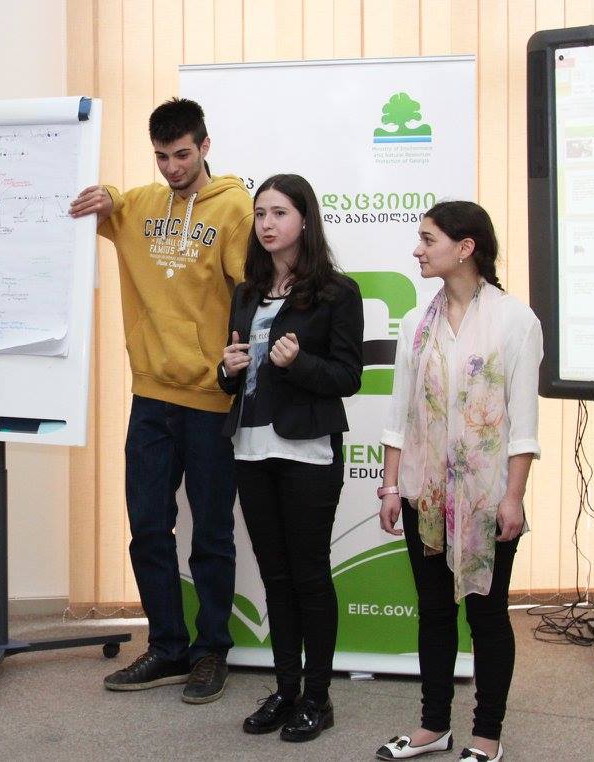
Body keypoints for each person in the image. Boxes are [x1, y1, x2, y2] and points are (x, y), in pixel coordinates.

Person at [69, 98, 253, 704]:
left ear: (204, 146)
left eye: (181, 155)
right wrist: (105, 195)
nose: (172, 168)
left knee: (211, 534)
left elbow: (251, 296)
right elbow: (110, 206)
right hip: (149, 395)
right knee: (148, 527)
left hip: (208, 399)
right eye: (162, 157)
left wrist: (232, 369)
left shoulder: (234, 209)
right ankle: (168, 647)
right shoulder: (144, 205)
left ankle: (211, 650)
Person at [375, 201, 542, 762]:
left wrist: (513, 497)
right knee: (435, 612)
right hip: (425, 494)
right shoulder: (415, 324)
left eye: (428, 240)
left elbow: (523, 425)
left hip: (488, 498)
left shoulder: (515, 321)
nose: (418, 250)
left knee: (487, 617)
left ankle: (487, 736)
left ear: (465, 247)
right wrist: (391, 486)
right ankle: (433, 727)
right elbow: (399, 414)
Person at [216, 174, 363, 742]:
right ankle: (285, 690)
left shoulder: (336, 293)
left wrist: (297, 362)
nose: (267, 224)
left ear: (304, 219)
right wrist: (227, 370)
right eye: (260, 214)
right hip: (251, 448)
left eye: (279, 212)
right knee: (275, 578)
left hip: (306, 451)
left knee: (309, 575)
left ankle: (318, 699)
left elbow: (347, 377)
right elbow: (236, 377)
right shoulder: (247, 292)